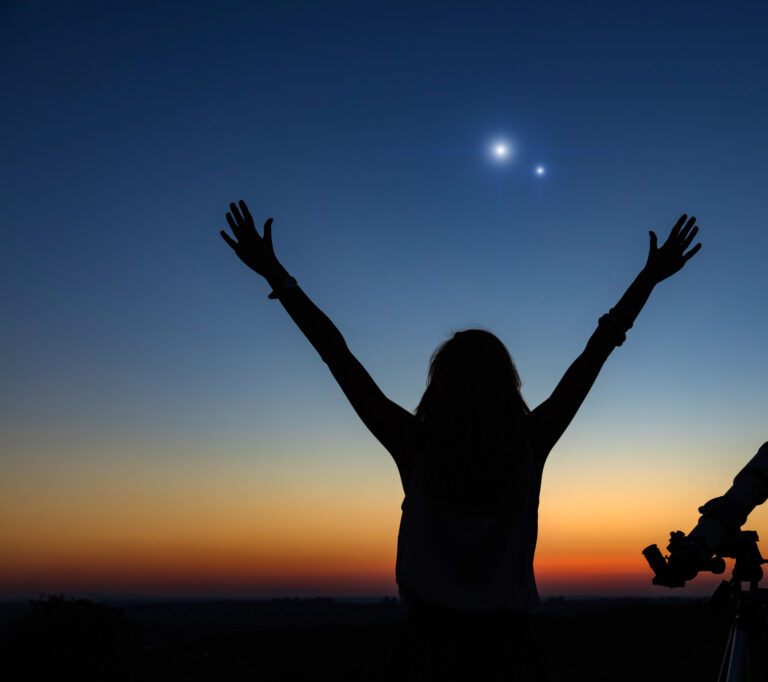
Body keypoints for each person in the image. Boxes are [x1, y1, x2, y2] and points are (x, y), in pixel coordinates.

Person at [221, 200, 702, 680]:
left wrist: (277, 277)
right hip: (509, 653)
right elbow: (597, 351)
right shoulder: (529, 442)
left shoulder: (414, 445)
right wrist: (647, 280)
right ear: (507, 384)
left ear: (439, 384)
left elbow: (337, 355)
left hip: (428, 650)